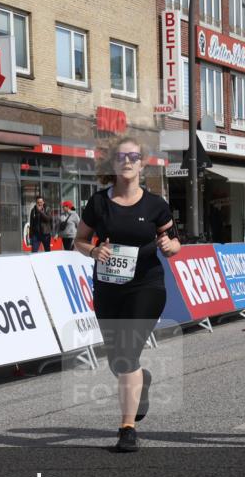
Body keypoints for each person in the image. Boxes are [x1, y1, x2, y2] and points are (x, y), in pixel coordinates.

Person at [75, 136, 181, 453]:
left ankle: (127, 428)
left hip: (146, 286)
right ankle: (141, 381)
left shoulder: (155, 205)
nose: (127, 161)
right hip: (108, 289)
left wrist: (169, 246)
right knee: (118, 361)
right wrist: (93, 251)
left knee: (128, 354)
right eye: (121, 156)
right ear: (113, 163)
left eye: (133, 156)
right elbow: (79, 240)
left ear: (142, 162)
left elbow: (175, 243)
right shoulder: (98, 202)